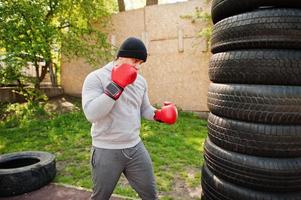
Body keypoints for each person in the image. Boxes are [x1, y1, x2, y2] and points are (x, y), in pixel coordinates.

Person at [82, 37, 178, 200]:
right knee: (100, 197)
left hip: (135, 147)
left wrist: (159, 115)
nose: (137, 67)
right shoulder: (96, 77)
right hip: (106, 148)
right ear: (121, 56)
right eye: (135, 61)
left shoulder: (140, 82)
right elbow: (92, 114)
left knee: (151, 195)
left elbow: (144, 109)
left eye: (141, 63)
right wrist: (117, 85)